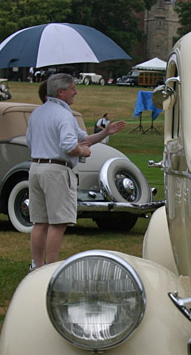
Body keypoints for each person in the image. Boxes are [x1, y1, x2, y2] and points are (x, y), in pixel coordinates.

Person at [25, 73, 126, 269]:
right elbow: (70, 146)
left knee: (40, 221)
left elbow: (82, 138)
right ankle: (51, 268)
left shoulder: (38, 112)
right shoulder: (64, 115)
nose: (76, 92)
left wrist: (105, 132)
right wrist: (83, 151)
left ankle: (37, 266)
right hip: (56, 171)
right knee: (58, 222)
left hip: (36, 168)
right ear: (61, 91)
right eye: (72, 88)